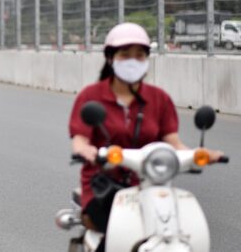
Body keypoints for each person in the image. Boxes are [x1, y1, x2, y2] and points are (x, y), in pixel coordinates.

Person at [69, 22, 223, 250]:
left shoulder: (159, 98)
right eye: (125, 54)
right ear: (111, 58)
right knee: (115, 235)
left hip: (153, 183)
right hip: (104, 186)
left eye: (139, 55)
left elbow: (173, 142)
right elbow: (79, 141)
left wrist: (199, 154)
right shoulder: (91, 96)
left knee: (182, 226)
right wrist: (90, 152)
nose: (133, 60)